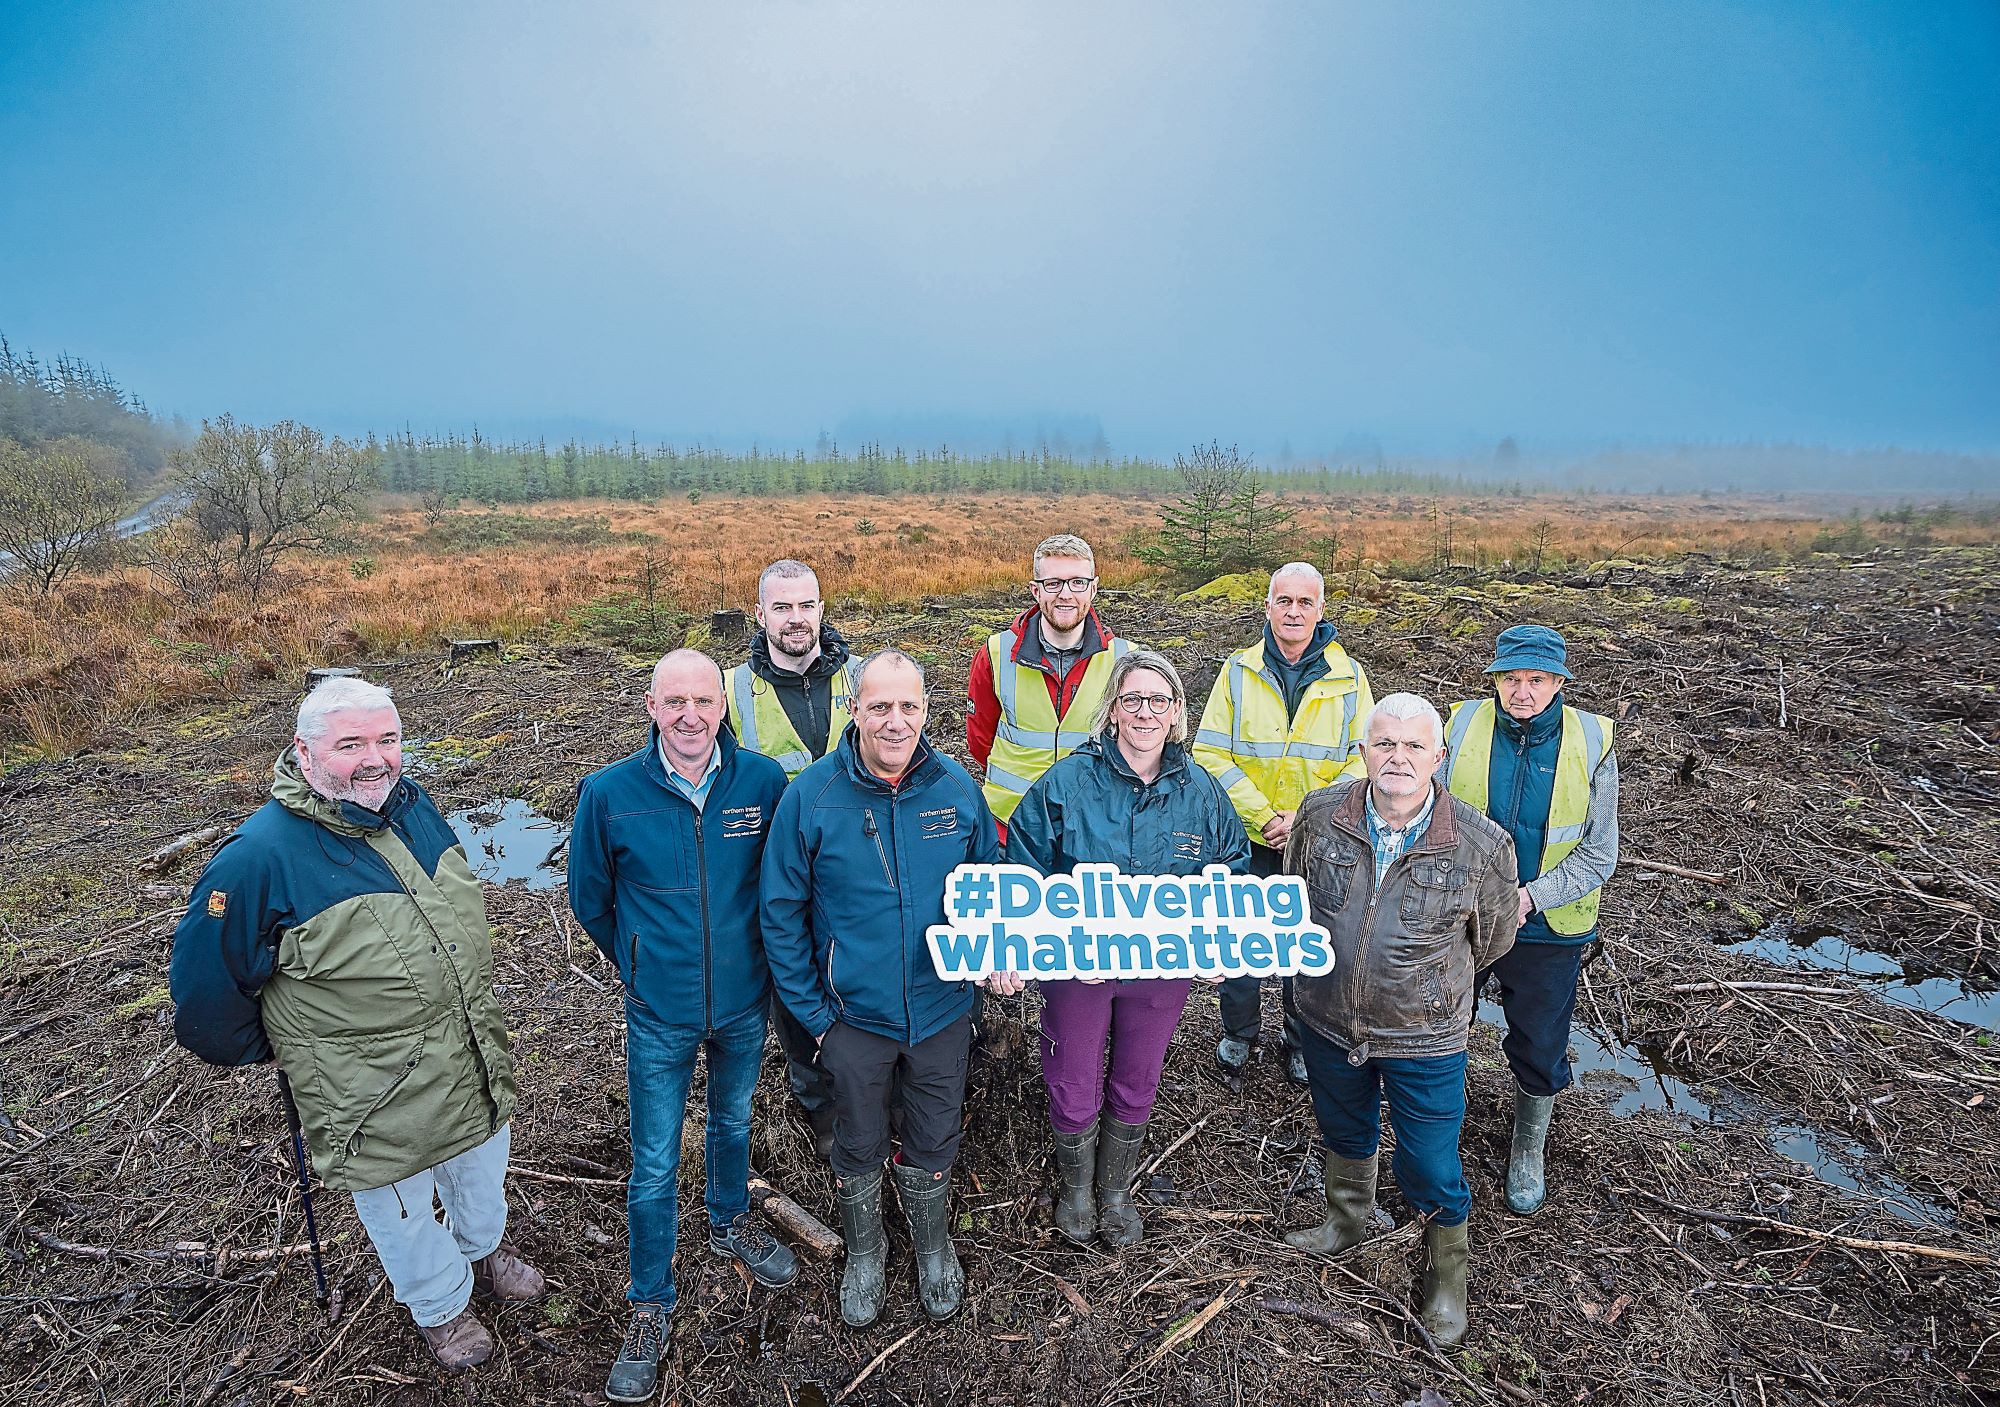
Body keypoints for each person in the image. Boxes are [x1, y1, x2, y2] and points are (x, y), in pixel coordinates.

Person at [168, 677, 541, 1372]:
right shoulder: (258, 858)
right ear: (304, 753)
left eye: (388, 739)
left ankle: (485, 1250)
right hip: (370, 1092)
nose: (376, 758)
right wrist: (293, 1051)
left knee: (482, 1171)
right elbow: (202, 1000)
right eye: (351, 744)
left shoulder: (413, 806)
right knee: (402, 1211)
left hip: (467, 1054)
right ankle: (442, 1308)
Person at [569, 649, 798, 1404]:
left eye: (704, 698)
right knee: (655, 1157)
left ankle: (731, 1219)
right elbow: (591, 898)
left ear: (724, 705)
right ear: (650, 706)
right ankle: (650, 1300)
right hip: (658, 1011)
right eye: (675, 701)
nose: (691, 714)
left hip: (742, 1002)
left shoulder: (763, 782)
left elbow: (782, 883)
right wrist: (637, 961)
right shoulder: (609, 793)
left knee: (733, 1120)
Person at [760, 651, 1001, 1328]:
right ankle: (866, 1250)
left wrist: (996, 959)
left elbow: (990, 894)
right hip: (851, 1019)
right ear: (855, 710)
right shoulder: (811, 797)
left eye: (909, 706)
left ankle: (931, 1245)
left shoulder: (956, 790)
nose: (896, 721)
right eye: (880, 706)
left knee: (933, 1132)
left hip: (942, 1010)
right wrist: (817, 1018)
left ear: (927, 710)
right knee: (857, 1139)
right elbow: (779, 914)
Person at [990, 649, 1250, 1248]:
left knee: (1138, 1072)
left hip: (1161, 966)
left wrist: (1215, 943)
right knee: (1073, 1071)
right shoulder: (1066, 782)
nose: (1145, 712)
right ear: (1111, 712)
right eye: (1132, 700)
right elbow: (1024, 863)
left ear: (1178, 713)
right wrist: (1015, 942)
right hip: (1079, 963)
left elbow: (1232, 868)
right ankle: (1077, 1184)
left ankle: (1114, 1187)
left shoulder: (1201, 792)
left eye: (1159, 701)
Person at [1282, 693, 1520, 1346]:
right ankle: (1347, 1219)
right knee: (1344, 1127)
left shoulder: (1482, 843)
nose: (1398, 757)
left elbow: (1494, 936)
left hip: (1425, 1036)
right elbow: (1291, 896)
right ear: (1363, 750)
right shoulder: (1320, 815)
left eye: (1415, 745)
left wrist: (1431, 990)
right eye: (1385, 743)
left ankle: (1447, 1279)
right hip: (1328, 1018)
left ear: (1438, 757)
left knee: (1430, 1163)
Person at [1443, 624, 1619, 1218]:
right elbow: (1433, 812)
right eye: (1510, 679)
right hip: (1460, 918)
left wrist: (1529, 898)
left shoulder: (1591, 740)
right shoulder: (1461, 725)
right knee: (1443, 1024)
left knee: (1540, 1043)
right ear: (1494, 679)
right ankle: (1442, 1131)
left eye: (1536, 680)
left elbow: (1601, 850)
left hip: (1548, 928)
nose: (1521, 692)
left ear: (1559, 683)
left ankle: (1527, 1150)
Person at [1194, 561, 1374, 1084]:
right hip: (1247, 837)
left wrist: (1305, 817)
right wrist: (1263, 815)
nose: (1293, 612)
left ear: (1321, 610)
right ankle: (1239, 1031)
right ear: (1268, 606)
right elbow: (1209, 752)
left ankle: (1299, 1036)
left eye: (1305, 603)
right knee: (1242, 940)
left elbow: (1363, 759)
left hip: (1319, 841)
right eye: (1283, 601)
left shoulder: (1350, 678)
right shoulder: (1237, 670)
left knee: (1307, 940)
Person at [725, 559, 861, 1159]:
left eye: (806, 605)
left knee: (859, 980)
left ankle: (871, 1090)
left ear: (822, 609)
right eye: (782, 608)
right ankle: (819, 1105)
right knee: (792, 992)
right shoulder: (732, 692)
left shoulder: (860, 678)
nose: (796, 619)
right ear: (761, 615)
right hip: (773, 876)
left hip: (857, 872)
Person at [966, 533, 1132, 836]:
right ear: (1035, 590)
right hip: (1009, 827)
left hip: (1094, 827)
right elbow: (980, 741)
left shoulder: (1126, 659)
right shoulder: (996, 653)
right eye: (1053, 583)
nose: (1065, 594)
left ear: (1093, 588)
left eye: (1077, 582)